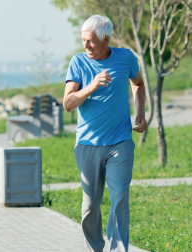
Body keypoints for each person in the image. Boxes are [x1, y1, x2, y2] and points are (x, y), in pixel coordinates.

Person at [62, 15, 148, 252]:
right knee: (90, 206)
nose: (85, 45)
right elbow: (68, 103)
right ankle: (95, 248)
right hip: (87, 144)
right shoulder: (78, 62)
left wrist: (140, 113)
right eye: (83, 40)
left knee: (119, 197)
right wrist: (92, 85)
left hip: (120, 142)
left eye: (90, 41)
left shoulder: (126, 57)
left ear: (106, 39)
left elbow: (138, 84)